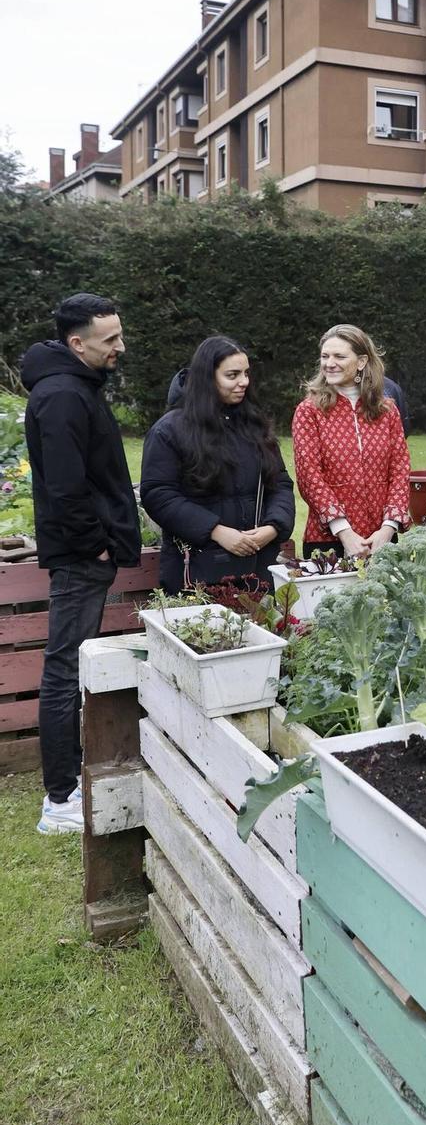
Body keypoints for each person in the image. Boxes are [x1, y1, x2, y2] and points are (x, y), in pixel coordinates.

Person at [21, 294, 141, 836]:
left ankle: (66, 788)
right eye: (110, 338)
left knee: (70, 665)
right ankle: (61, 799)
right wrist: (95, 544)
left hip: (85, 553)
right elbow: (65, 487)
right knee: (65, 668)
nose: (120, 346)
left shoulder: (76, 386)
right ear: (77, 343)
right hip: (79, 557)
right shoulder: (64, 395)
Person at [140, 337, 295, 594]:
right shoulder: (169, 431)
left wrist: (273, 526)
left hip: (258, 570)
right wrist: (216, 531)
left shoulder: (254, 425)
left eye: (246, 373)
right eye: (232, 375)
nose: (243, 382)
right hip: (197, 573)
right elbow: (159, 494)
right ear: (207, 378)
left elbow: (279, 483)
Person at [292, 325, 411, 558]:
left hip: (381, 538)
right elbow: (309, 476)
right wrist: (345, 533)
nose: (329, 363)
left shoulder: (387, 410)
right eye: (325, 356)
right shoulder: (309, 411)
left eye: (339, 356)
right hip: (328, 540)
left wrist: (388, 529)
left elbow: (400, 470)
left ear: (361, 361)